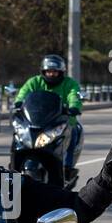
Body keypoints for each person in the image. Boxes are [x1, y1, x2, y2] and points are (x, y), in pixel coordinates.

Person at [15, 54, 84, 182]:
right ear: (43, 71)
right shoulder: (34, 82)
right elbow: (23, 93)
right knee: (18, 135)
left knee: (73, 131)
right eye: (49, 71)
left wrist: (74, 106)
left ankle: (67, 168)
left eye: (55, 72)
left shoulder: (69, 83)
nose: (51, 74)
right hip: (36, 122)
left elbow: (74, 95)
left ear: (61, 72)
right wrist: (19, 102)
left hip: (60, 122)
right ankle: (14, 167)